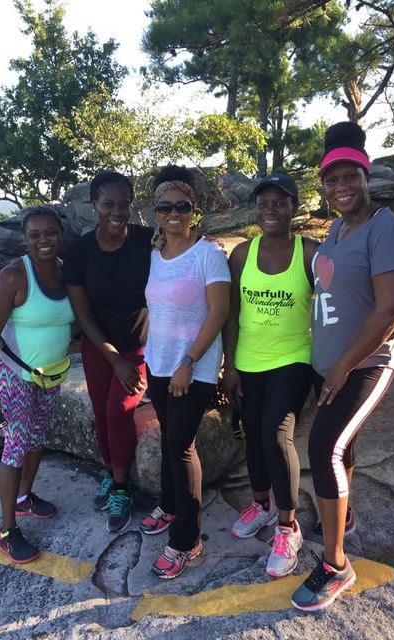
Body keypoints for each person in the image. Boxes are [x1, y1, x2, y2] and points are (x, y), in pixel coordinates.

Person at [291, 122, 394, 611]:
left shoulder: (387, 227)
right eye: (331, 179)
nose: (340, 186)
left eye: (350, 177)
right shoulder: (336, 230)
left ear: (367, 176)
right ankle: (343, 516)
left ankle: (335, 564)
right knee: (344, 446)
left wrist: (343, 365)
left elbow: (391, 308)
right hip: (330, 361)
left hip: (365, 363)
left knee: (324, 447)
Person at [223, 174, 318, 578]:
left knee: (276, 435)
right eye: (263, 204)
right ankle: (261, 504)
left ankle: (287, 526)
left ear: (294, 207)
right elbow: (231, 312)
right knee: (252, 434)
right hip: (248, 361)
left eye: (279, 203)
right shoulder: (242, 254)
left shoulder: (310, 252)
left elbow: (338, 301)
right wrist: (229, 364)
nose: (270, 210)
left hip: (293, 359)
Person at [141, 165, 231, 579]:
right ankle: (170, 504)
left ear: (194, 210)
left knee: (180, 446)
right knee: (168, 437)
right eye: (166, 206)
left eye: (182, 206)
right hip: (158, 364)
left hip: (192, 369)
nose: (174, 213)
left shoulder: (208, 255)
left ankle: (186, 540)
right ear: (155, 211)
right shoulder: (154, 255)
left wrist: (189, 363)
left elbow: (218, 312)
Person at [0, 205, 75, 563]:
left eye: (50, 233)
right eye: (35, 235)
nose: (43, 240)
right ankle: (7, 530)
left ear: (61, 235)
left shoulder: (67, 272)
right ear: (25, 239)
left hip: (50, 375)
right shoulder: (12, 278)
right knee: (16, 447)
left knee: (36, 439)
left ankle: (24, 497)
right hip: (14, 376)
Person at [63, 171, 150, 534]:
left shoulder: (147, 241)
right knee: (101, 413)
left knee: (118, 411)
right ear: (94, 204)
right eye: (108, 204)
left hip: (139, 348)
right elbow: (83, 314)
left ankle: (121, 488)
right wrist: (114, 359)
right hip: (99, 348)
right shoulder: (79, 252)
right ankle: (112, 472)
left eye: (124, 204)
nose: (117, 211)